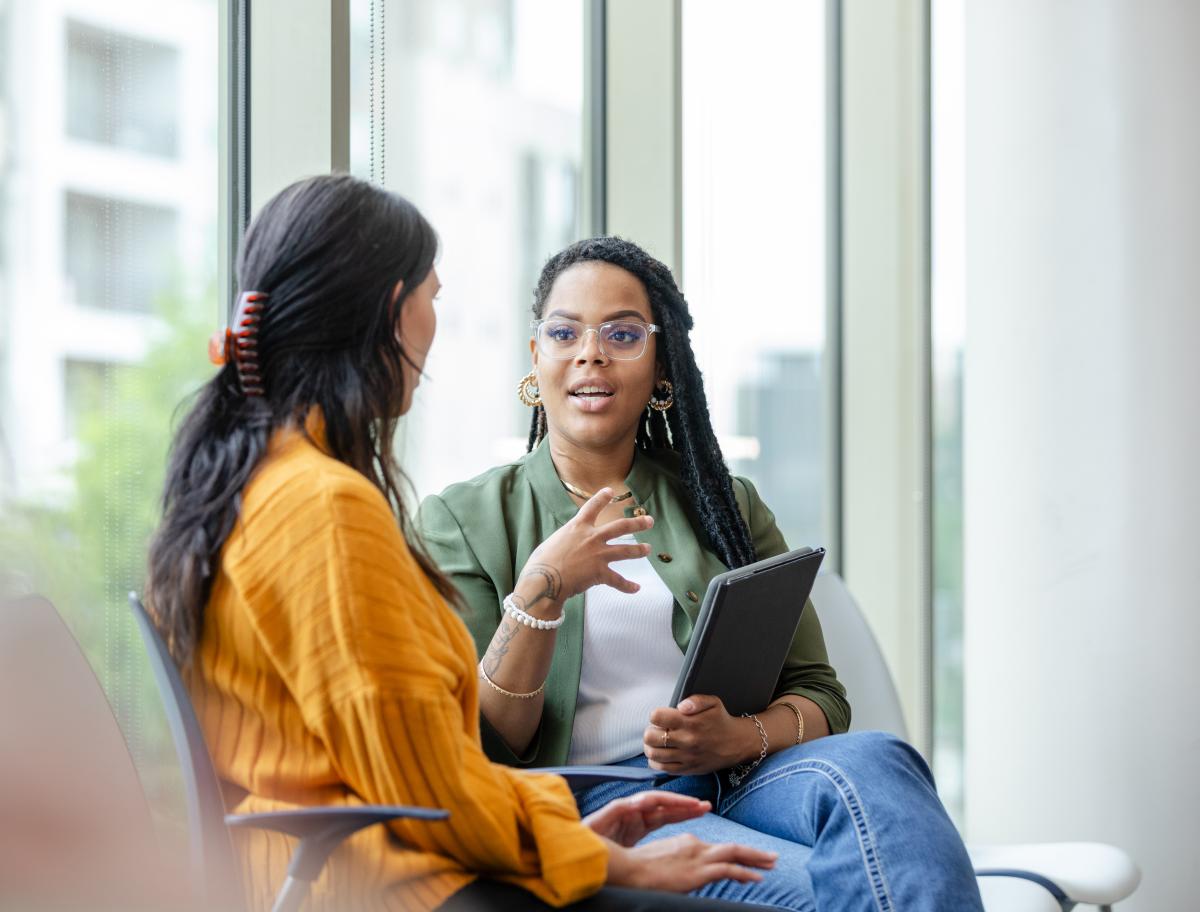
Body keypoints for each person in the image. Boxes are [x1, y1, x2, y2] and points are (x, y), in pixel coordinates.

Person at [143, 175, 781, 912]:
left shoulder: (260, 485)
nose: (590, 357)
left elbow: (420, 770)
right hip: (388, 884)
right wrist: (603, 860)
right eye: (434, 297)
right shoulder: (325, 510)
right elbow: (425, 785)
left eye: (622, 334)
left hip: (364, 861)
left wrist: (572, 835)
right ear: (394, 310)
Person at [418, 237, 985, 912]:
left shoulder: (726, 505)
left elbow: (820, 695)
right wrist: (544, 584)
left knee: (882, 762)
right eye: (564, 332)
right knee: (822, 892)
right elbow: (488, 740)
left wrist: (737, 738)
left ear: (662, 367)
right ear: (536, 358)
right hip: (605, 798)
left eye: (622, 333)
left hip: (752, 775)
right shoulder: (460, 518)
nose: (590, 352)